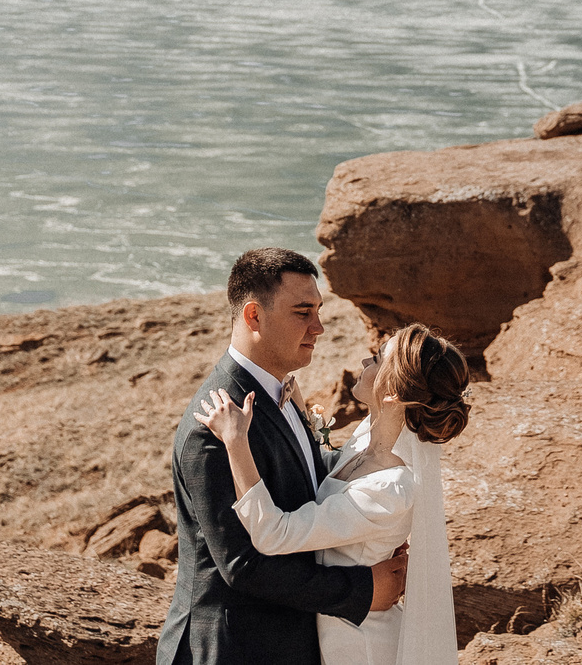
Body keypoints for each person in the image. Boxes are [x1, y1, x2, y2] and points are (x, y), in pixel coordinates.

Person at [158, 248, 408, 665]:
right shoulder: (216, 425)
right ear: (253, 316)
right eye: (303, 312)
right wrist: (363, 590)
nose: (319, 327)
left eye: (319, 311)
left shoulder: (283, 393)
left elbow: (306, 483)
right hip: (232, 649)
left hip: (285, 642)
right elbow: (242, 564)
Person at [193, 323, 472, 665]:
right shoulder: (365, 438)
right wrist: (300, 415)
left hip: (360, 647)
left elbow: (273, 534)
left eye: (375, 359)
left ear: (393, 394)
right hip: (334, 632)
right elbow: (330, 471)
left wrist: (236, 442)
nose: (365, 363)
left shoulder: (390, 488)